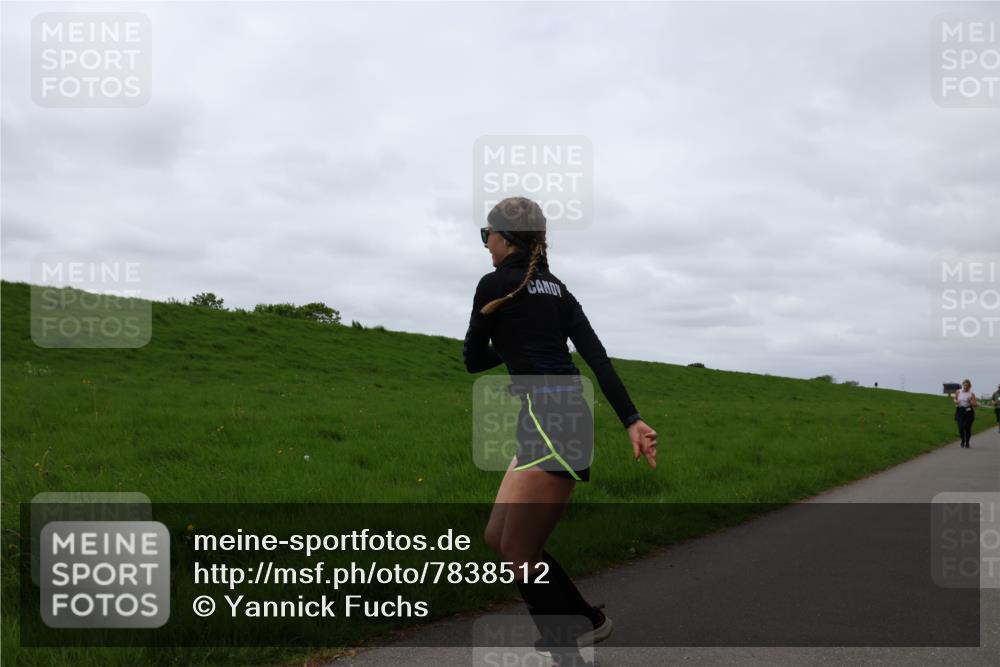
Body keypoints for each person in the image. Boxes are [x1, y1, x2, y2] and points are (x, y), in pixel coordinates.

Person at [464, 196, 657, 665]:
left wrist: (499, 335)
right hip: (555, 416)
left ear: (505, 238)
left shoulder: (494, 284)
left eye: (484, 236)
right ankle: (586, 620)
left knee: (518, 551)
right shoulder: (560, 291)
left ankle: (564, 645)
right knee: (499, 537)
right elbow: (597, 358)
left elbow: (472, 359)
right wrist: (631, 418)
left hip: (554, 419)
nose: (484, 245)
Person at [952, 379, 978, 448]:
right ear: (962, 385)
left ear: (969, 386)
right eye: (964, 385)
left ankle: (967, 442)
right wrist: (955, 401)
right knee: (960, 427)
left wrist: (970, 401)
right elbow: (954, 398)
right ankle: (963, 440)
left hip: (969, 412)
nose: (965, 387)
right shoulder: (958, 391)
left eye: (967, 385)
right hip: (960, 411)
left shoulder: (971, 394)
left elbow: (975, 405)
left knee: (967, 427)